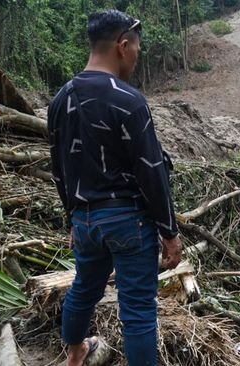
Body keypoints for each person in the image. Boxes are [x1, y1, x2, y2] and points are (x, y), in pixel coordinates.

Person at [48, 10, 182, 366]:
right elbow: (152, 172)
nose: (137, 57)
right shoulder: (129, 100)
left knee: (84, 288)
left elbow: (59, 169)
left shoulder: (61, 99)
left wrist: (73, 219)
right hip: (128, 222)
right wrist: (170, 233)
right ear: (123, 46)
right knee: (137, 310)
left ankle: (75, 353)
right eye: (136, 49)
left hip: (85, 222)